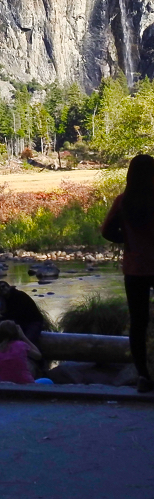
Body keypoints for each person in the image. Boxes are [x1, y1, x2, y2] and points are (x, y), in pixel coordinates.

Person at [101, 152, 154, 393]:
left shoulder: (123, 201)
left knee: (138, 323)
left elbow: (107, 231)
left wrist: (128, 242)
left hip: (135, 268)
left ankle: (143, 375)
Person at [0, 320, 53, 385]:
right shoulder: (21, 345)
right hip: (26, 385)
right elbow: (38, 356)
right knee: (48, 381)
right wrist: (23, 337)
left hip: (5, 386)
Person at [0, 280, 45, 346]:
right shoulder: (6, 299)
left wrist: (3, 316)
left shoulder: (19, 295)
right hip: (23, 323)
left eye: (3, 286)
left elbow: (17, 313)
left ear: (9, 287)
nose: (2, 289)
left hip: (34, 321)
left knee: (28, 341)